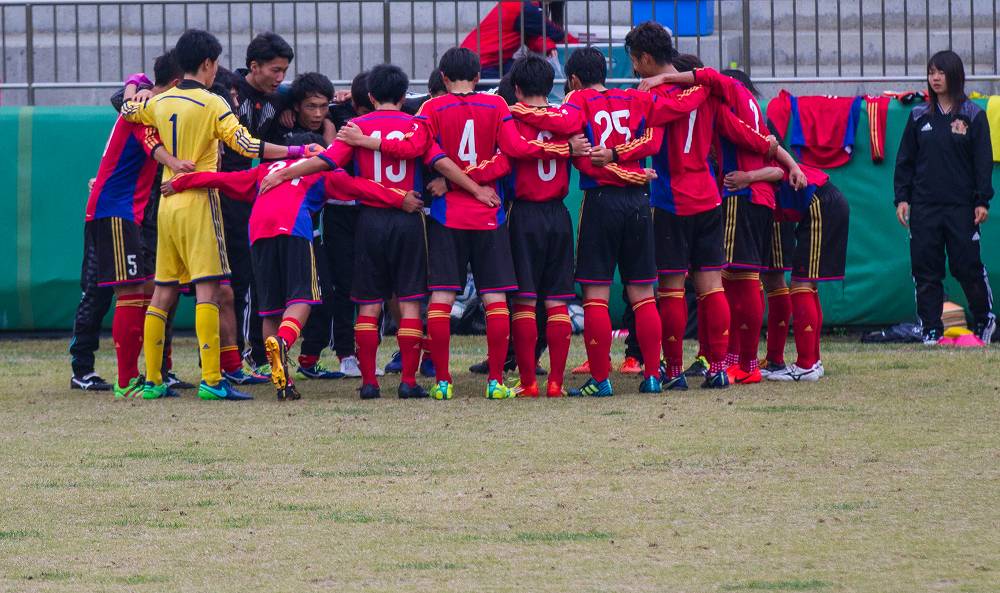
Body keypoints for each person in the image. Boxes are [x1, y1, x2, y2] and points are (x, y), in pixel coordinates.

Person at [340, 47, 572, 400]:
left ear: (443, 78)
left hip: (447, 215)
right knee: (496, 300)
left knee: (442, 299)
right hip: (489, 213)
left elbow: (416, 149)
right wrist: (480, 187)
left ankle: (443, 380)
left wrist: (368, 141)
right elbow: (509, 155)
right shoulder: (496, 106)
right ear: (479, 77)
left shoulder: (431, 107)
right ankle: (495, 381)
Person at [121, 28, 321, 401]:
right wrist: (296, 153)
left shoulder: (160, 102)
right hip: (199, 201)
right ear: (209, 64)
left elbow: (129, 109)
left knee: (162, 291)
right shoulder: (213, 103)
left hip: (166, 203)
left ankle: (151, 380)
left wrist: (136, 87)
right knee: (209, 290)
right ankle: (212, 380)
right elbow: (246, 144)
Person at [623, 26, 802, 390]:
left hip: (671, 201)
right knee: (712, 287)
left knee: (672, 289)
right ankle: (718, 368)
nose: (635, 70)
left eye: (635, 62)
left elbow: (649, 135)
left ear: (644, 58)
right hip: (709, 198)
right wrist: (786, 159)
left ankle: (672, 371)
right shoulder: (707, 91)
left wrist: (610, 156)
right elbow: (745, 134)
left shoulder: (650, 95)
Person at [161, 143, 400, 400]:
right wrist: (401, 198)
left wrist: (182, 182)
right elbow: (360, 188)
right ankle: (283, 342)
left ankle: (283, 381)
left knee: (271, 309)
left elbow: (222, 179)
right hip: (293, 225)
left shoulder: (265, 170)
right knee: (304, 298)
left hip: (258, 230)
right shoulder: (321, 171)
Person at [538, 46, 673, 397]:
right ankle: (653, 376)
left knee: (595, 296)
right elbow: (653, 140)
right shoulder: (633, 98)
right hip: (639, 201)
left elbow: (576, 148)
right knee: (644, 294)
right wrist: (629, 169)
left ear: (574, 80)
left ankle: (600, 379)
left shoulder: (576, 101)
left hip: (601, 201)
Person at [310, 64, 439, 399]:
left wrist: (283, 173)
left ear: (368, 96)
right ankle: (409, 382)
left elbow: (329, 165)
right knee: (410, 302)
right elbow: (435, 162)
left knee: (368, 303)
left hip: (369, 220)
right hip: (409, 218)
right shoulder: (417, 125)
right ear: (403, 95)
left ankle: (369, 382)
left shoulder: (355, 127)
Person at [79, 52, 190, 398]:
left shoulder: (140, 97)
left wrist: (134, 85)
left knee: (146, 290)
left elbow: (138, 75)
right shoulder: (145, 110)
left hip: (128, 212)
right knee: (128, 292)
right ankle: (126, 380)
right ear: (175, 85)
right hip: (115, 210)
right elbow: (151, 144)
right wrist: (176, 164)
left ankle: (152, 372)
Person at [894, 50, 995, 345]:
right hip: (924, 208)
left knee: (967, 267)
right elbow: (905, 161)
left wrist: (981, 200)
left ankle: (985, 320)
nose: (935, 78)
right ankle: (930, 328)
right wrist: (902, 198)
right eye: (931, 72)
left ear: (954, 75)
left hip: (961, 208)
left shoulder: (973, 115)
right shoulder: (917, 116)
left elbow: (982, 162)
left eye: (941, 72)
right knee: (925, 270)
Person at [497, 56, 576, 398]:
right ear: (552, 86)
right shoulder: (566, 118)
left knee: (525, 302)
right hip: (558, 214)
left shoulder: (510, 117)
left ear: (516, 88)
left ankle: (529, 382)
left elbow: (513, 150)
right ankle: (556, 382)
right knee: (558, 302)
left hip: (524, 214)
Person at [222, 32, 295, 382]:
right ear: (254, 67)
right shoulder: (225, 88)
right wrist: (136, 86)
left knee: (249, 277)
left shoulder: (280, 98)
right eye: (275, 70)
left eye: (284, 71)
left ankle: (247, 356)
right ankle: (231, 358)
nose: (280, 78)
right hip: (220, 193)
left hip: (252, 198)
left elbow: (320, 98)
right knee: (229, 281)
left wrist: (329, 110)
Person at [766, 163, 850, 381]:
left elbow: (774, 172)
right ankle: (814, 361)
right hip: (825, 201)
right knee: (808, 285)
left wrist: (744, 177)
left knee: (801, 285)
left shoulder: (762, 155)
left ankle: (806, 365)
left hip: (819, 203)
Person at [460, 1, 572, 80]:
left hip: (490, 60)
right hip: (483, 64)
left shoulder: (522, 5)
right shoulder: (525, 8)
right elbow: (555, 34)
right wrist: (584, 43)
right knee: (522, 84)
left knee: (527, 74)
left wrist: (548, 45)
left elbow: (530, 34)